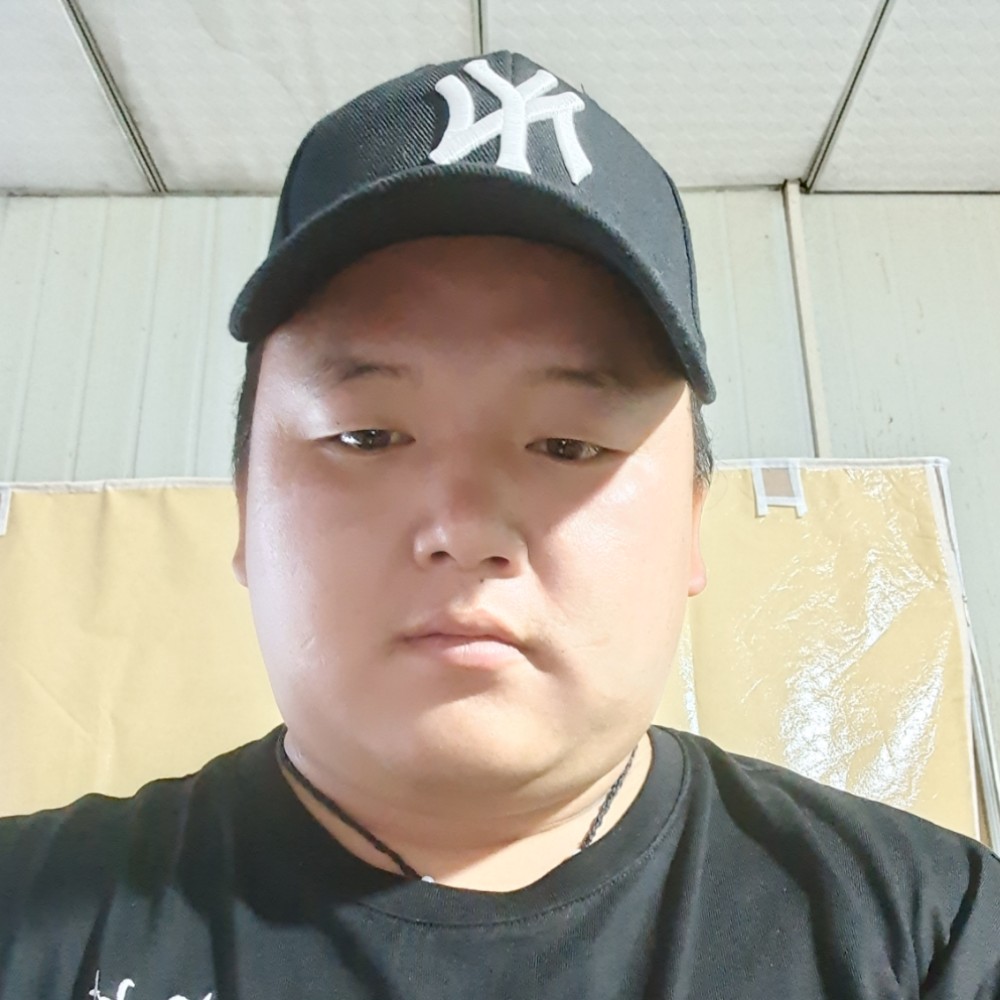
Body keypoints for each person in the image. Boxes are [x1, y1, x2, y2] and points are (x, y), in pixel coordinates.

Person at [1, 50, 997, 1000]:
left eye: (566, 444)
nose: (464, 528)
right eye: (367, 434)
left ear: (692, 528)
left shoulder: (938, 936)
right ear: (245, 509)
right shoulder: (26, 919)